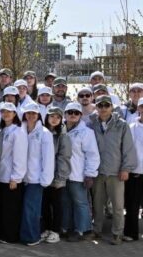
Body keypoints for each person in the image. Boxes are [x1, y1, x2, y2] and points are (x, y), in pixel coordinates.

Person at [88, 95, 138, 244]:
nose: (103, 108)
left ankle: (117, 233)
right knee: (97, 204)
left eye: (106, 105)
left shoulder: (121, 125)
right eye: (100, 105)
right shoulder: (92, 125)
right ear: (96, 107)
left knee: (117, 205)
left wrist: (126, 169)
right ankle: (96, 230)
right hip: (97, 172)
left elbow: (128, 149)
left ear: (111, 107)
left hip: (116, 172)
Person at [62, 102, 100, 242]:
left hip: (78, 175)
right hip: (63, 175)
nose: (72, 115)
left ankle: (82, 230)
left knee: (80, 203)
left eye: (76, 113)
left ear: (80, 115)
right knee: (65, 202)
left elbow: (92, 154)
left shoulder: (86, 132)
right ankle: (67, 227)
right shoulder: (60, 130)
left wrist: (90, 174)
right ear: (65, 114)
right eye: (70, 112)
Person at [19, 104, 55, 246]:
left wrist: (45, 179)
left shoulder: (45, 133)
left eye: (34, 113)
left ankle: (33, 236)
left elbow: (48, 158)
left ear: (39, 115)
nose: (31, 116)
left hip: (36, 178)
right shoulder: (20, 130)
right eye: (28, 113)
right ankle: (24, 235)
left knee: (31, 209)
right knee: (24, 208)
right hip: (22, 176)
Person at [0, 102, 28, 244]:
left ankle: (11, 236)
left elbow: (20, 156)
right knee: (1, 207)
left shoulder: (18, 131)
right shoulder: (1, 130)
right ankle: (1, 234)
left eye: (9, 111)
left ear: (15, 114)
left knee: (11, 209)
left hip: (11, 178)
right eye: (3, 112)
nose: (6, 114)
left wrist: (16, 177)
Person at [40, 107, 71, 244]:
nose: (54, 119)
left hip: (56, 175)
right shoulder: (41, 132)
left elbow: (64, 157)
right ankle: (46, 228)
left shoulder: (63, 136)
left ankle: (55, 231)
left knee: (57, 204)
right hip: (42, 175)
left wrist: (60, 177)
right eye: (51, 116)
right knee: (44, 204)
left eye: (57, 117)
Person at [124, 98, 143, 241]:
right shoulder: (131, 127)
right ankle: (131, 233)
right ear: (139, 109)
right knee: (132, 205)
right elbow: (126, 149)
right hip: (135, 172)